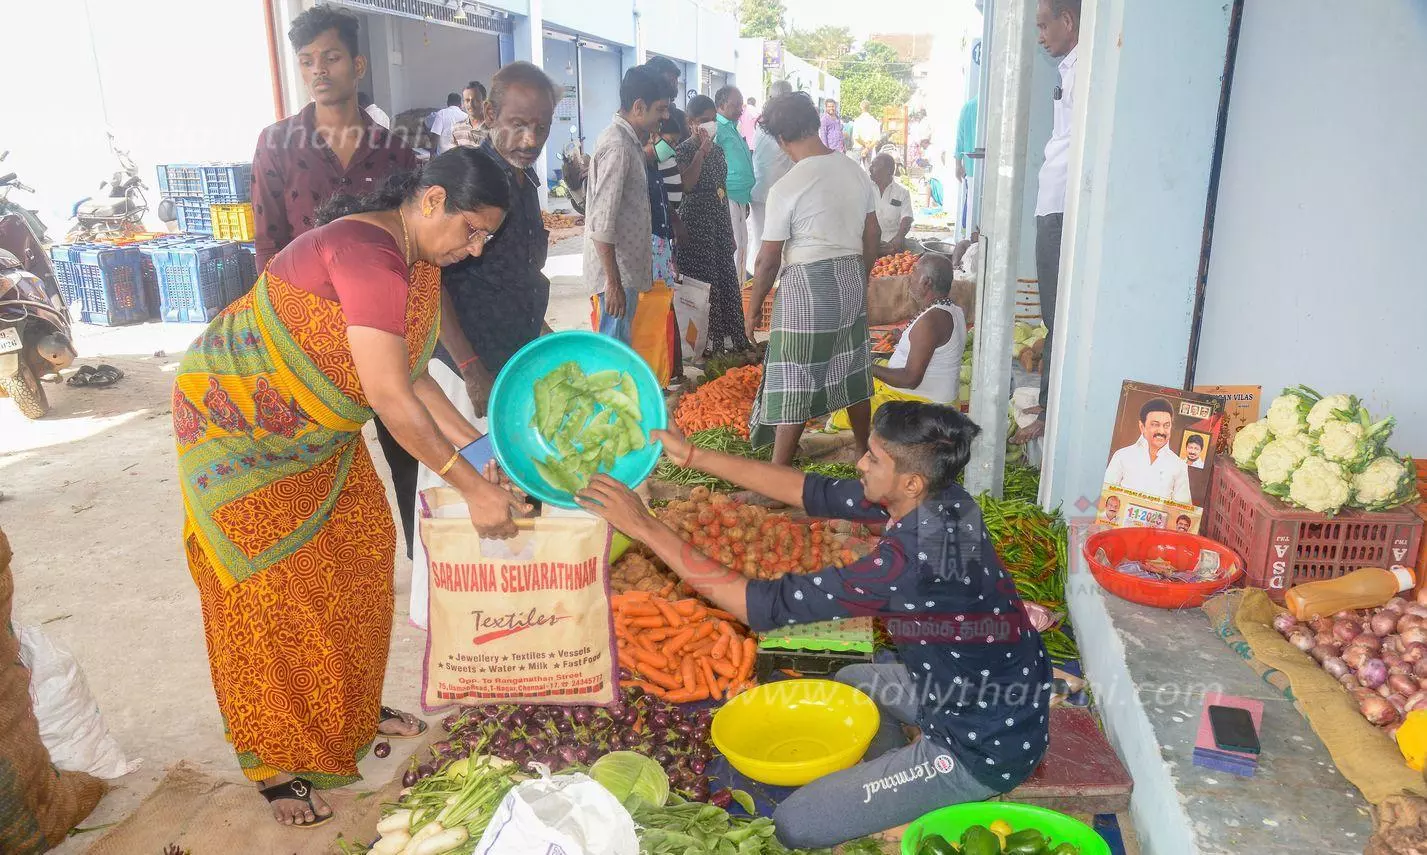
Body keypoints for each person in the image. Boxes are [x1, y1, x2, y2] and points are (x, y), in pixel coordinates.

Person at [174, 148, 528, 829]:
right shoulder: (366, 254)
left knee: (361, 555)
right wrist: (471, 489)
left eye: (487, 235)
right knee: (268, 596)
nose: (477, 248)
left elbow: (414, 371)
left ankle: (350, 715)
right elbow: (392, 400)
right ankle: (274, 760)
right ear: (432, 200)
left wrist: (484, 452)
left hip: (312, 435)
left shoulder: (418, 261)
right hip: (236, 430)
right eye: (473, 230)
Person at [575, 403, 1052, 849]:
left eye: (874, 458)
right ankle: (897, 776)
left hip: (982, 746)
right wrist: (694, 455)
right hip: (976, 693)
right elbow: (811, 491)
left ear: (910, 482)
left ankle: (927, 778)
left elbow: (759, 605)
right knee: (852, 681)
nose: (860, 463)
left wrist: (646, 527)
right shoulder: (943, 499)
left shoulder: (909, 562)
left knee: (794, 824)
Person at [250, 4, 423, 558]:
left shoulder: (395, 150)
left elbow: (412, 243)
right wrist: (274, 337)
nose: (319, 70)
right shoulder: (277, 143)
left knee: (407, 451)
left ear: (358, 64)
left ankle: (420, 566)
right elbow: (268, 242)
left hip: (381, 325)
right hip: (307, 337)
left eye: (331, 57)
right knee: (313, 466)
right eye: (307, 61)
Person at [407, 63, 562, 629]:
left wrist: (545, 340)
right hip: (462, 372)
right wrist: (472, 367)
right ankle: (445, 622)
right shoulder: (470, 180)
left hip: (509, 363)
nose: (530, 138)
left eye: (541, 127)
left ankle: (497, 617)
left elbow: (518, 279)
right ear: (490, 114)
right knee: (455, 487)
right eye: (518, 123)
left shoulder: (524, 183)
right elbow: (435, 282)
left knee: (500, 484)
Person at [745, 94, 877, 465]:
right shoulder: (855, 171)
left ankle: (778, 472)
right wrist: (861, 274)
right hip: (850, 277)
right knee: (853, 364)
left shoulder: (787, 186)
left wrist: (753, 310)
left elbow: (767, 260)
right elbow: (873, 233)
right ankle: (863, 450)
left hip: (808, 285)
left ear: (781, 139)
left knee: (795, 374)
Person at [1015, 0, 1080, 444]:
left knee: (1057, 315)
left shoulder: (1084, 72)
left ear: (1067, 20)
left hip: (1060, 207)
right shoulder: (1070, 68)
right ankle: (1049, 400)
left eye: (1043, 25)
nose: (1040, 36)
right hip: (1052, 205)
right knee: (1053, 312)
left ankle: (1051, 411)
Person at [829, 254, 965, 431]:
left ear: (926, 282)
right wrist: (904, 338)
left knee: (841, 409)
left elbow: (910, 379)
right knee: (858, 380)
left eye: (914, 272)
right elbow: (932, 343)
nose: (910, 277)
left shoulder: (930, 321)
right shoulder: (952, 310)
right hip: (927, 397)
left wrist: (864, 365)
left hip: (923, 407)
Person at [585, 66, 670, 344]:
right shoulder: (619, 146)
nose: (665, 117)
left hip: (623, 273)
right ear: (639, 107)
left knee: (619, 348)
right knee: (613, 353)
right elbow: (602, 223)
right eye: (660, 109)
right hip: (615, 275)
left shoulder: (629, 142)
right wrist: (613, 283)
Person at [676, 96, 750, 355]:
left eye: (711, 120)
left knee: (726, 280)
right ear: (691, 123)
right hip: (694, 224)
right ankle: (703, 345)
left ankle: (729, 341)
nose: (709, 124)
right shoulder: (683, 151)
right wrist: (701, 152)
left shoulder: (718, 152)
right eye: (703, 120)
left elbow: (722, 190)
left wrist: (729, 232)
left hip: (717, 222)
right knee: (703, 285)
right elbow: (687, 184)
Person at [1103, 398, 1191, 505]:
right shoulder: (1122, 456)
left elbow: (1183, 508)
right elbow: (1105, 496)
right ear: (1142, 426)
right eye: (1155, 424)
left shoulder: (1179, 465)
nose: (1161, 431)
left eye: (1166, 425)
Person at [749, 81, 795, 257]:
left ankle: (756, 272)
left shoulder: (762, 122)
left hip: (761, 190)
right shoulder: (789, 124)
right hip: (779, 193)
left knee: (760, 240)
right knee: (779, 244)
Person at [713, 86, 755, 279]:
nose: (740, 110)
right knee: (735, 246)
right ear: (722, 105)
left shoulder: (732, 127)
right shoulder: (717, 129)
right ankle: (734, 289)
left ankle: (739, 287)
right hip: (727, 195)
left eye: (741, 105)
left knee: (742, 244)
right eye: (735, 105)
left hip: (740, 196)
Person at [869, 153, 913, 254]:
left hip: (891, 245)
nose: (870, 169)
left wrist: (899, 237)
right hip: (868, 242)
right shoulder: (865, 188)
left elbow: (907, 217)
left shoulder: (902, 193)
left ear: (888, 170)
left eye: (874, 165)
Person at [451, 80, 488, 149]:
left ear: (484, 102)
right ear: (463, 103)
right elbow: (455, 154)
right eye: (467, 100)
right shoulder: (457, 129)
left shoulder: (495, 129)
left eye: (476, 100)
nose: (471, 104)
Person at [954, 96, 979, 182]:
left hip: (971, 168)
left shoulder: (967, 107)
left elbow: (960, 138)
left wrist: (958, 164)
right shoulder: (997, 104)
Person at [852, 100, 882, 166]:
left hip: (858, 147)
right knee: (869, 169)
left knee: (855, 170)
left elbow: (856, 137)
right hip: (869, 148)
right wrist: (867, 148)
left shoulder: (858, 120)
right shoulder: (874, 121)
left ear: (861, 107)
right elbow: (877, 139)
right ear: (869, 108)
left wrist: (864, 144)